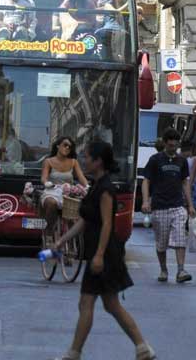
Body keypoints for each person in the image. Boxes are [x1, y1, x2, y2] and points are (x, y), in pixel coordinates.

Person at [53, 141, 155, 360]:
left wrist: (99, 255)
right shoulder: (96, 186)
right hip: (99, 253)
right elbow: (85, 220)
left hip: (105, 254)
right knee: (110, 304)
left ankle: (74, 354)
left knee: (88, 302)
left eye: (88, 157)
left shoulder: (106, 188)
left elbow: (108, 224)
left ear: (98, 161)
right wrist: (62, 240)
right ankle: (142, 348)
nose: (84, 160)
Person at [141, 128, 195, 284]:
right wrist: (146, 201)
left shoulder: (181, 161)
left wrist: (190, 205)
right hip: (159, 206)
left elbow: (185, 183)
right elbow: (146, 181)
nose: (173, 148)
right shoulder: (155, 160)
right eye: (170, 145)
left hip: (177, 205)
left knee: (179, 238)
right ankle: (164, 269)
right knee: (161, 243)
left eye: (175, 145)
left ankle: (180, 270)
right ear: (165, 144)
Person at [40, 137, 89, 235]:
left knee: (79, 208)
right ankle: (48, 231)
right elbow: (43, 177)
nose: (67, 148)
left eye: (69, 147)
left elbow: (81, 177)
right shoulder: (48, 161)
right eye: (65, 145)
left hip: (68, 194)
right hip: (52, 191)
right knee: (51, 203)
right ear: (58, 146)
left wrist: (87, 186)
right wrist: (46, 183)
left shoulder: (73, 162)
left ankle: (73, 238)